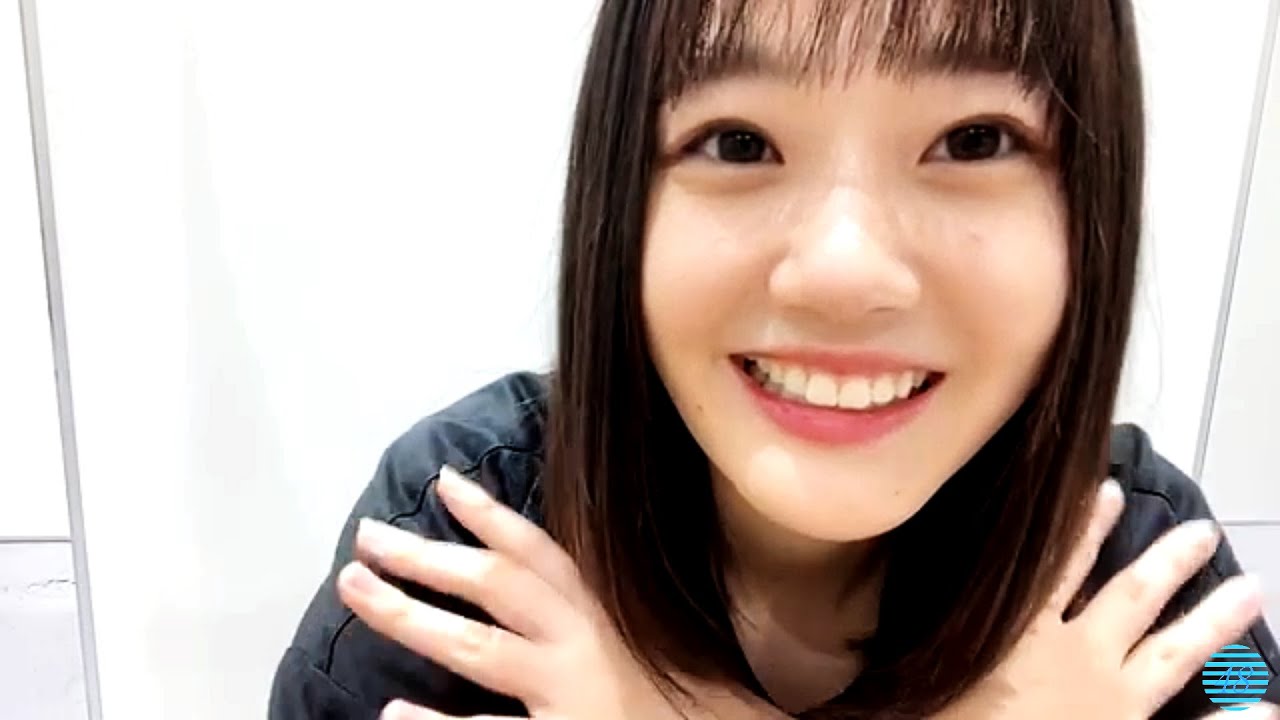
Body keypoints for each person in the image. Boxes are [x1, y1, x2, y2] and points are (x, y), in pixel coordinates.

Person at [269, 0, 1280, 718]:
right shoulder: (459, 540)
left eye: (974, 140)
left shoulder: (1146, 562)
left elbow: (1242, 692)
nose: (843, 272)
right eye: (738, 143)